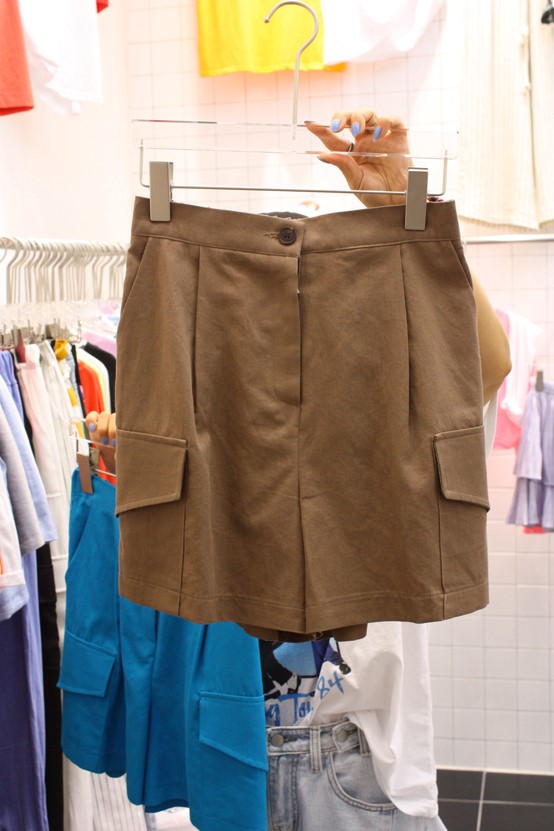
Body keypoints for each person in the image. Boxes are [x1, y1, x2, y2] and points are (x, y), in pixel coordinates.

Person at [85, 109, 511, 830]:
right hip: (224, 755)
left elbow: (486, 362)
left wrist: (399, 211)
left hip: (365, 758)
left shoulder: (393, 386)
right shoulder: (199, 391)